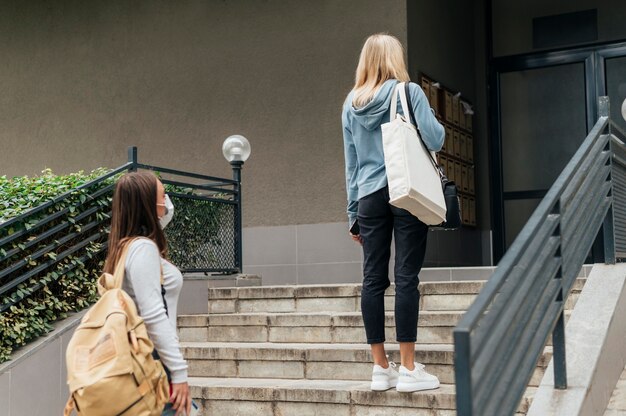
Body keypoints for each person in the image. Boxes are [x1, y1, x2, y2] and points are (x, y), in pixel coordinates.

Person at [341, 33, 445, 393]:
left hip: (368, 197)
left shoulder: (350, 104)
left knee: (372, 279)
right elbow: (436, 139)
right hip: (405, 191)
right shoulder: (408, 92)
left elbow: (351, 165)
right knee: (406, 278)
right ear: (394, 59)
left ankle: (380, 367)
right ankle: (410, 369)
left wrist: (353, 212)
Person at [104, 171, 192, 415]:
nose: (167, 202)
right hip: (153, 363)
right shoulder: (143, 249)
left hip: (144, 362)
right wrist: (179, 371)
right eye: (163, 195)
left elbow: (166, 214)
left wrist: (154, 198)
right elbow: (153, 315)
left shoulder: (126, 245)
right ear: (148, 203)